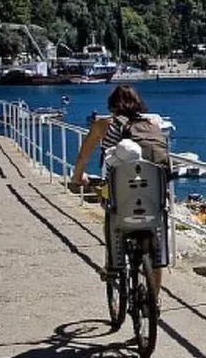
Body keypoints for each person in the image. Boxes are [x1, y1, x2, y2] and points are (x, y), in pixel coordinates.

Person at [69, 85, 170, 295]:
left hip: (118, 193)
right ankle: (155, 300)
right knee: (155, 245)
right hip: (154, 193)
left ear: (112, 105)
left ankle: (112, 266)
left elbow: (82, 157)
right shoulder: (153, 124)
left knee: (112, 216)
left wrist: (78, 178)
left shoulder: (103, 125)